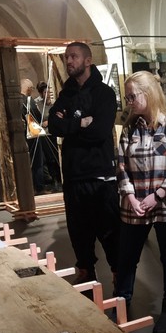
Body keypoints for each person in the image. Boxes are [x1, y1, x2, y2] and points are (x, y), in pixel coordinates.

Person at [115, 70, 166, 333]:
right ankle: (120, 304)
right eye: (127, 98)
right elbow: (121, 166)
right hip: (135, 205)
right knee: (127, 258)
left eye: (132, 96)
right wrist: (130, 196)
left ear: (148, 93)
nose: (129, 103)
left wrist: (156, 196)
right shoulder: (129, 129)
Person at [48, 42, 120, 285]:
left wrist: (69, 127)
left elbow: (99, 132)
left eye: (74, 56)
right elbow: (53, 126)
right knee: (79, 231)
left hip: (100, 176)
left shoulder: (104, 94)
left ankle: (119, 273)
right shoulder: (65, 95)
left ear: (87, 61)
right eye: (66, 57)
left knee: (109, 230)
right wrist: (80, 123)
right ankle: (86, 270)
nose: (69, 61)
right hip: (73, 175)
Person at [20, 78, 46, 194]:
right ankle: (39, 187)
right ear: (29, 89)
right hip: (32, 134)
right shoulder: (28, 100)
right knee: (37, 162)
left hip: (21, 136)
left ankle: (27, 187)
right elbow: (38, 116)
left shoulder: (16, 100)